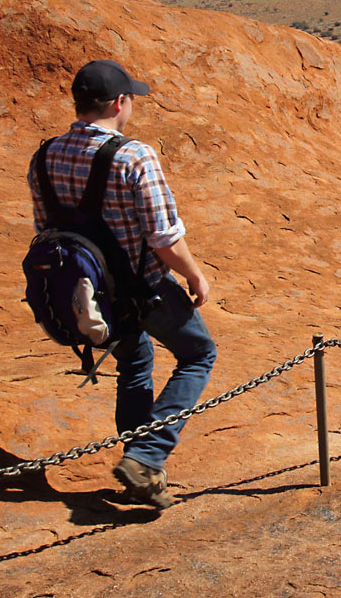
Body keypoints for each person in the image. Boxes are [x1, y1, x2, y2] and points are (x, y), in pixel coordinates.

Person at [28, 59, 215, 509]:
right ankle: (147, 458)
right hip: (143, 289)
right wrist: (193, 274)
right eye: (130, 98)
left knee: (134, 365)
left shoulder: (45, 155)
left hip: (88, 295)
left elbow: (45, 229)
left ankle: (138, 466)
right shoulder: (134, 155)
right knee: (198, 353)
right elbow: (163, 238)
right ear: (119, 103)